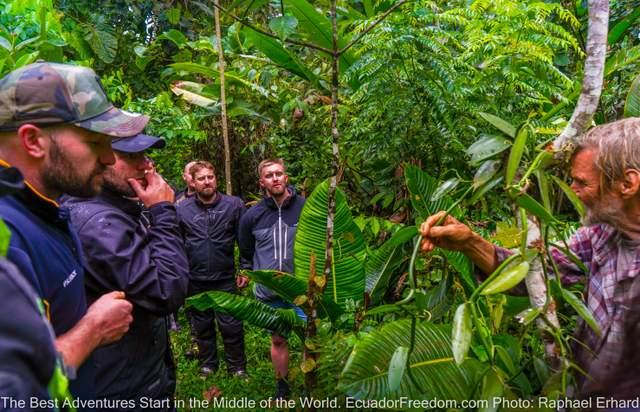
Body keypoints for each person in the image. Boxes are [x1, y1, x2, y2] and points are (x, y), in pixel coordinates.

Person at [419, 117, 640, 400]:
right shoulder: (605, 233)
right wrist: (470, 243)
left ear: (628, 183)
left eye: (581, 182)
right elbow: (537, 271)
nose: (572, 191)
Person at [0, 61, 138, 404]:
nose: (109, 158)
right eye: (95, 142)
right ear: (32, 140)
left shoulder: (46, 209)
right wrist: (91, 332)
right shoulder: (7, 236)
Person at [63, 133, 189, 410]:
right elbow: (165, 291)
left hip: (136, 371)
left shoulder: (118, 206)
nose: (144, 165)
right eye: (131, 157)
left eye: (145, 156)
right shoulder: (97, 221)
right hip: (119, 389)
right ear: (100, 157)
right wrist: (163, 211)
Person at [238, 158, 306, 399]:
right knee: (278, 339)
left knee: (311, 338)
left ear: (286, 177)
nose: (275, 178)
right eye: (269, 175)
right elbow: (246, 250)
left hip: (302, 289)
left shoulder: (305, 208)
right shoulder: (252, 215)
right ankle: (282, 386)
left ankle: (314, 383)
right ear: (262, 182)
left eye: (279, 173)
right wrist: (245, 271)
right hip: (270, 291)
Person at [177, 160, 247, 378]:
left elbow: (243, 240)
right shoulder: (181, 209)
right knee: (202, 325)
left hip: (225, 277)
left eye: (210, 177)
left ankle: (237, 367)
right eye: (201, 179)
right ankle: (208, 365)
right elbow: (177, 243)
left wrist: (245, 268)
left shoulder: (234, 205)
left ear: (215, 179)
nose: (207, 182)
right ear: (193, 183)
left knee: (232, 325)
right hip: (195, 278)